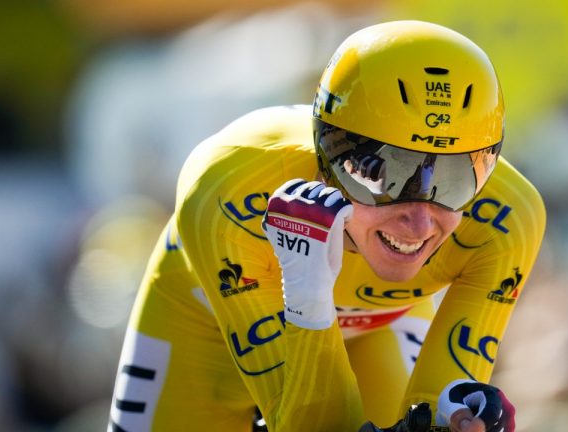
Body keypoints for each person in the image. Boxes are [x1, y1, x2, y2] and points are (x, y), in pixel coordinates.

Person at [109, 20, 545, 431]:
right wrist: (306, 296)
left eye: (456, 180)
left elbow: (431, 408)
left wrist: (446, 418)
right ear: (327, 159)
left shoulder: (510, 217)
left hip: (378, 328)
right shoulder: (228, 186)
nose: (418, 221)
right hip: (200, 329)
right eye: (383, 174)